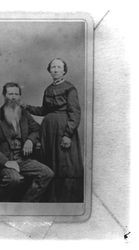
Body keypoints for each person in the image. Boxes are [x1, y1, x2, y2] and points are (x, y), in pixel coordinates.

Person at [0, 82, 54, 202]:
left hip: (23, 160)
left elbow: (37, 129)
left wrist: (30, 140)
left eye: (16, 94)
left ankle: (25, 204)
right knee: (14, 179)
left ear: (20, 96)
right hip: (3, 162)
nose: (13, 97)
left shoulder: (24, 114)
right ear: (4, 96)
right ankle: (1, 208)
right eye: (10, 94)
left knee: (47, 173)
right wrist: (6, 162)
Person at [26, 58, 84, 202]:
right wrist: (26, 107)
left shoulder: (70, 88)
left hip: (63, 130)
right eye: (53, 67)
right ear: (49, 70)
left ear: (64, 70)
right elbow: (44, 110)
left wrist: (68, 135)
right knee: (50, 162)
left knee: (65, 164)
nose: (56, 70)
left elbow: (75, 113)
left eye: (59, 67)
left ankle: (66, 200)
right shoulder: (48, 89)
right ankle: (51, 199)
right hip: (48, 131)